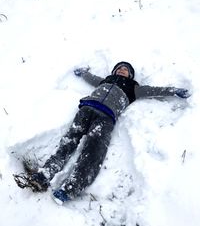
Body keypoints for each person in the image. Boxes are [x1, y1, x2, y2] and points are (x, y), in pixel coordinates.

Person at [13, 61, 190, 204]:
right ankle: (45, 173)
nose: (122, 70)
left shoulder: (134, 88)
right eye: (119, 68)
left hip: (106, 117)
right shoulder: (104, 80)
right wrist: (83, 73)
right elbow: (91, 78)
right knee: (68, 142)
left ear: (130, 75)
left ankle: (71, 188)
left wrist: (173, 91)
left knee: (93, 152)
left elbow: (155, 90)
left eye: (125, 70)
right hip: (87, 108)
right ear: (114, 71)